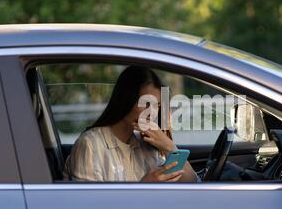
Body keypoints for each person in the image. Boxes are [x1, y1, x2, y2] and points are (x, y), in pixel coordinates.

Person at [64, 65, 198, 182]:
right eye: (145, 103)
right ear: (125, 100)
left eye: (156, 105)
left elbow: (191, 180)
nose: (151, 112)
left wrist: (168, 145)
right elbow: (87, 206)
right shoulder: (91, 144)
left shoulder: (147, 144)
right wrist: (144, 187)